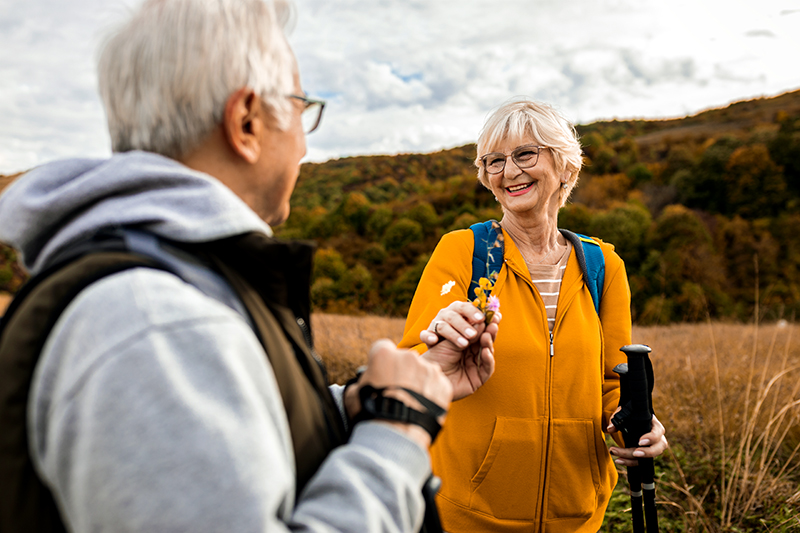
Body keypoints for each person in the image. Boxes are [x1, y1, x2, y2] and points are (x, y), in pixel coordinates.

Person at [0, 1, 500, 532]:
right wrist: (396, 431)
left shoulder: (180, 286)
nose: (306, 144)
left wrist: (355, 405)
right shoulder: (158, 321)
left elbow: (237, 442)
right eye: (301, 108)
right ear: (245, 121)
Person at [399, 99, 668, 532]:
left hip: (575, 514)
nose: (508, 172)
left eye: (525, 154)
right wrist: (438, 339)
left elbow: (611, 384)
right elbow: (411, 363)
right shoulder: (464, 253)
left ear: (565, 166)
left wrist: (634, 427)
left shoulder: (603, 266)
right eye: (494, 161)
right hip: (467, 513)